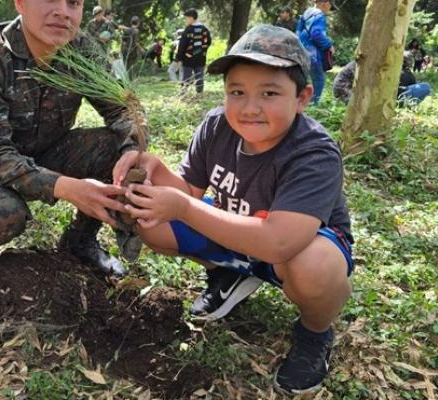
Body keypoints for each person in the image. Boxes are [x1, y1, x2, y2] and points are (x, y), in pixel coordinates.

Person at [113, 25, 354, 394]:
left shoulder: (314, 152)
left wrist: (182, 207)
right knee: (153, 224)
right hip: (238, 231)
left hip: (291, 250)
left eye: (269, 93)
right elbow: (188, 192)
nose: (249, 108)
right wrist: (155, 169)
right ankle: (228, 274)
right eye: (236, 92)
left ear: (303, 97)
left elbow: (279, 241)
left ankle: (314, 333)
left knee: (314, 266)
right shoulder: (216, 126)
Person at [0, 0, 148, 293]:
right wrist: (69, 188)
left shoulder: (81, 50)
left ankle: (81, 239)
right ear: (20, 3)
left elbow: (124, 109)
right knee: (2, 213)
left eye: (74, 3)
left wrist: (132, 150)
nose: (63, 11)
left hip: (46, 150)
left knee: (117, 148)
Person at [332, 54, 431, 105]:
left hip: (351, 93)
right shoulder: (370, 63)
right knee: (425, 87)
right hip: (352, 94)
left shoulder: (367, 61)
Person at [296, 0, 333, 104]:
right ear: (325, 3)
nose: (330, 7)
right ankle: (313, 106)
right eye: (330, 4)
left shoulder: (306, 14)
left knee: (302, 80)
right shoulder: (319, 15)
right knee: (319, 81)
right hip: (313, 54)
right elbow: (316, 34)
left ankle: (298, 103)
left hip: (302, 52)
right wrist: (329, 44)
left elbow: (298, 33)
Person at [176, 9, 212, 95]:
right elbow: (208, 41)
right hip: (201, 58)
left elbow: (182, 44)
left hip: (188, 58)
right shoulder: (204, 29)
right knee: (199, 76)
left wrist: (179, 58)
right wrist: (203, 50)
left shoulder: (188, 29)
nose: (185, 20)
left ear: (191, 18)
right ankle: (199, 93)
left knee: (186, 76)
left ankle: (183, 93)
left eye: (186, 18)